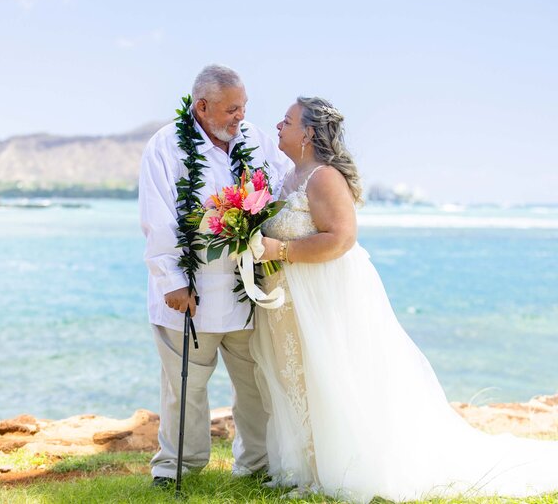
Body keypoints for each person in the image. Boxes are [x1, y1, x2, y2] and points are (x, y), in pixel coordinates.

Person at [253, 96, 558, 502]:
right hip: (289, 300)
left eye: (286, 120)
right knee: (299, 379)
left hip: (325, 296)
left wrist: (280, 252)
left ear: (308, 132)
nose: (277, 126)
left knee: (332, 376)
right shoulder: (287, 177)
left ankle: (341, 470)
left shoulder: (323, 178)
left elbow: (342, 239)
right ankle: (310, 466)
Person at [138, 64, 291, 487]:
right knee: (184, 389)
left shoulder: (255, 139)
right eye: (231, 109)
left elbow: (281, 188)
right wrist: (172, 281)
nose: (239, 116)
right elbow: (158, 218)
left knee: (254, 384)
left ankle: (256, 464)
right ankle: (176, 467)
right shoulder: (166, 146)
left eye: (243, 107)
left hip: (246, 289)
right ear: (201, 107)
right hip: (191, 292)